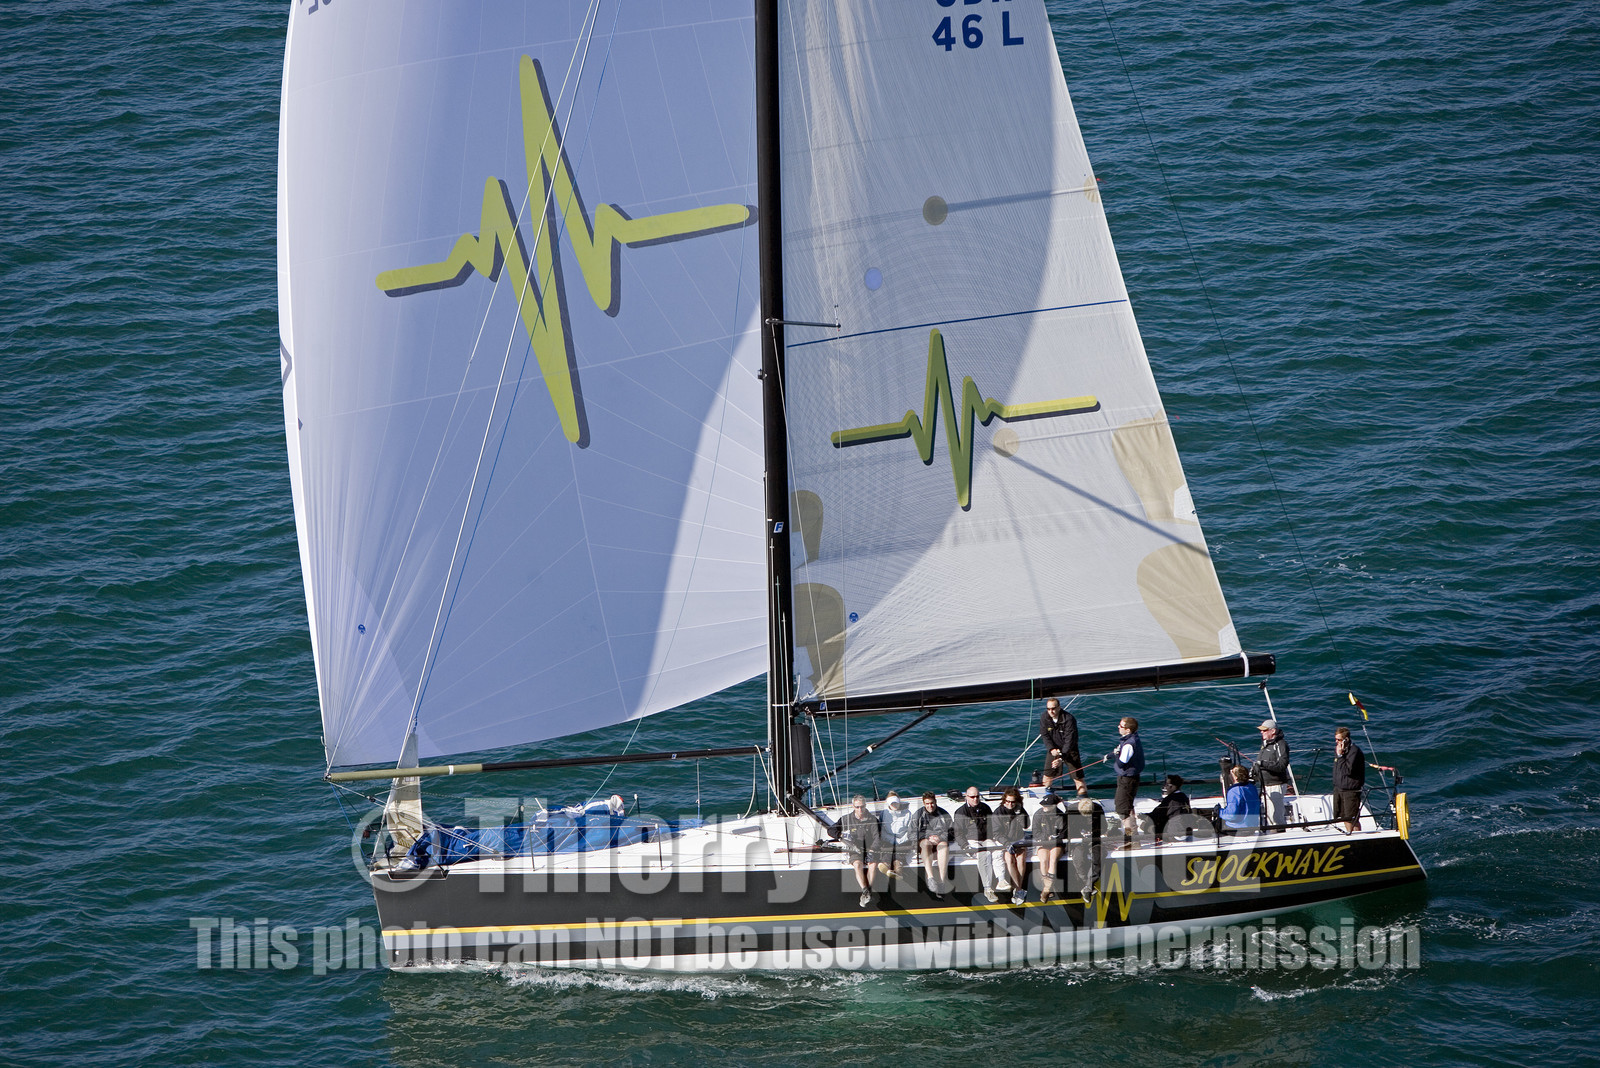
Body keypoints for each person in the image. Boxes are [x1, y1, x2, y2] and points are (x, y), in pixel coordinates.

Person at [953, 787, 997, 901]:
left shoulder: (985, 808)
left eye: (977, 796)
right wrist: (965, 846)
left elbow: (992, 825)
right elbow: (958, 833)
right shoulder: (960, 812)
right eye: (972, 797)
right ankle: (988, 889)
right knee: (984, 855)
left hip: (986, 839)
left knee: (998, 852)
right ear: (966, 797)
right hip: (970, 841)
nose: (975, 799)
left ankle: (1001, 880)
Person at [1039, 698, 1088, 796]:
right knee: (1047, 777)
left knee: (1078, 778)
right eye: (1048, 709)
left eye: (1053, 708)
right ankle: (1045, 798)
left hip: (1070, 750)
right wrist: (1051, 749)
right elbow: (1045, 735)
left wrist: (1062, 757)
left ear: (1059, 707)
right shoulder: (1044, 717)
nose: (1050, 711)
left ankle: (1083, 799)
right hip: (1054, 750)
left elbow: (1070, 740)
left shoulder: (1069, 719)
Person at [990, 786, 1031, 904]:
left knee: (1021, 859)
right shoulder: (998, 812)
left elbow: (1026, 825)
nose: (1010, 804)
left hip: (1018, 839)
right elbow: (997, 833)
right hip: (1005, 840)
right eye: (1007, 801)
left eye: (1013, 802)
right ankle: (1018, 888)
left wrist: (1020, 813)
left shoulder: (1019, 809)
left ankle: (1018, 889)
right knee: (1009, 858)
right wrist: (1007, 843)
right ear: (1004, 801)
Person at [839, 795, 881, 907]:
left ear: (865, 806)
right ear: (853, 806)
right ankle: (865, 891)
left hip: (870, 848)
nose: (860, 809)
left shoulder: (872, 820)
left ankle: (869, 890)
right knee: (857, 865)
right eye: (857, 807)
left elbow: (877, 837)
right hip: (855, 850)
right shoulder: (846, 819)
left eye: (862, 807)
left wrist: (872, 850)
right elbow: (832, 829)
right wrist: (839, 836)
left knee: (872, 865)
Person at [1107, 716, 1145, 838]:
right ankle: (1134, 836)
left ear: (1128, 730)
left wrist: (1117, 755)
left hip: (1127, 780)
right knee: (1128, 807)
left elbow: (1121, 763)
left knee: (1122, 810)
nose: (1118, 727)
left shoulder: (1129, 744)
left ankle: (1131, 839)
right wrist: (1112, 754)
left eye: (1121, 726)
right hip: (1131, 778)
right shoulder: (1133, 739)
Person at [913, 791, 954, 897]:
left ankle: (941, 881)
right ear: (923, 804)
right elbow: (912, 833)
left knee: (944, 846)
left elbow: (952, 831)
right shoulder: (918, 815)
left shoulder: (944, 814)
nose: (930, 806)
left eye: (932, 803)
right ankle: (930, 877)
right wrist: (927, 838)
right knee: (926, 844)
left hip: (940, 842)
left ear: (935, 802)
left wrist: (940, 838)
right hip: (925, 843)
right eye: (927, 803)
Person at [1254, 719, 1292, 829]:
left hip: (1275, 785)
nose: (1262, 732)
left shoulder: (1281, 745)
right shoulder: (1265, 744)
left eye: (1265, 730)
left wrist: (1263, 764)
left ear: (1273, 731)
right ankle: (1273, 833)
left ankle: (1279, 836)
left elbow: (1282, 765)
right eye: (1261, 731)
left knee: (1276, 816)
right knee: (1269, 815)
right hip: (1265, 785)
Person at [1065, 797, 1103, 903]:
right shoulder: (1071, 811)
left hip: (1094, 840)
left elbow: (1103, 827)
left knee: (1097, 858)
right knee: (1078, 858)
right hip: (1077, 841)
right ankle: (1088, 885)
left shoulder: (1098, 809)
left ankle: (1088, 887)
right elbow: (1067, 830)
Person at [1032, 794, 1068, 902]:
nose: (1044, 807)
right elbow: (1035, 832)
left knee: (1053, 860)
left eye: (1047, 805)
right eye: (1043, 805)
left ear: (1054, 806)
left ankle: (1046, 889)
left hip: (1057, 843)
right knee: (1043, 860)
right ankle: (1048, 886)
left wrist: (1053, 838)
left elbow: (1063, 834)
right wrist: (1046, 837)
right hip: (1043, 842)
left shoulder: (1061, 816)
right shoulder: (1038, 814)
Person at [1331, 726, 1366, 834]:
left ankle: (1357, 836)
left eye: (1339, 740)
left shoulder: (1354, 751)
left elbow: (1348, 770)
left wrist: (1341, 756)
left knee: (1352, 818)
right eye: (1335, 739)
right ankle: (1349, 833)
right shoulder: (1339, 750)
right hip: (1339, 788)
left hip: (1350, 790)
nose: (1337, 742)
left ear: (1346, 739)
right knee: (1343, 817)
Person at [877, 792, 914, 878]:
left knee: (899, 853)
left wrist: (903, 839)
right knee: (888, 851)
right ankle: (885, 865)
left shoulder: (908, 813)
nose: (894, 804)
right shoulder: (884, 813)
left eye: (895, 802)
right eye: (891, 803)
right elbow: (882, 828)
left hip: (903, 839)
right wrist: (889, 839)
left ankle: (898, 870)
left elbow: (910, 830)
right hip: (888, 839)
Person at [1148, 773, 1192, 840]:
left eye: (1167, 785)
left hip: (1174, 834)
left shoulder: (1170, 800)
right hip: (1188, 832)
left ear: (1173, 787)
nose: (1165, 787)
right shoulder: (1184, 797)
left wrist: (1144, 816)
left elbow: (1156, 814)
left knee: (1147, 825)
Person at [1217, 766, 1260, 832]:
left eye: (1232, 772)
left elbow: (1232, 815)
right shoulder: (1252, 787)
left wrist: (1219, 811)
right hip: (1252, 826)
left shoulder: (1234, 791)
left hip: (1238, 829)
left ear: (1236, 777)